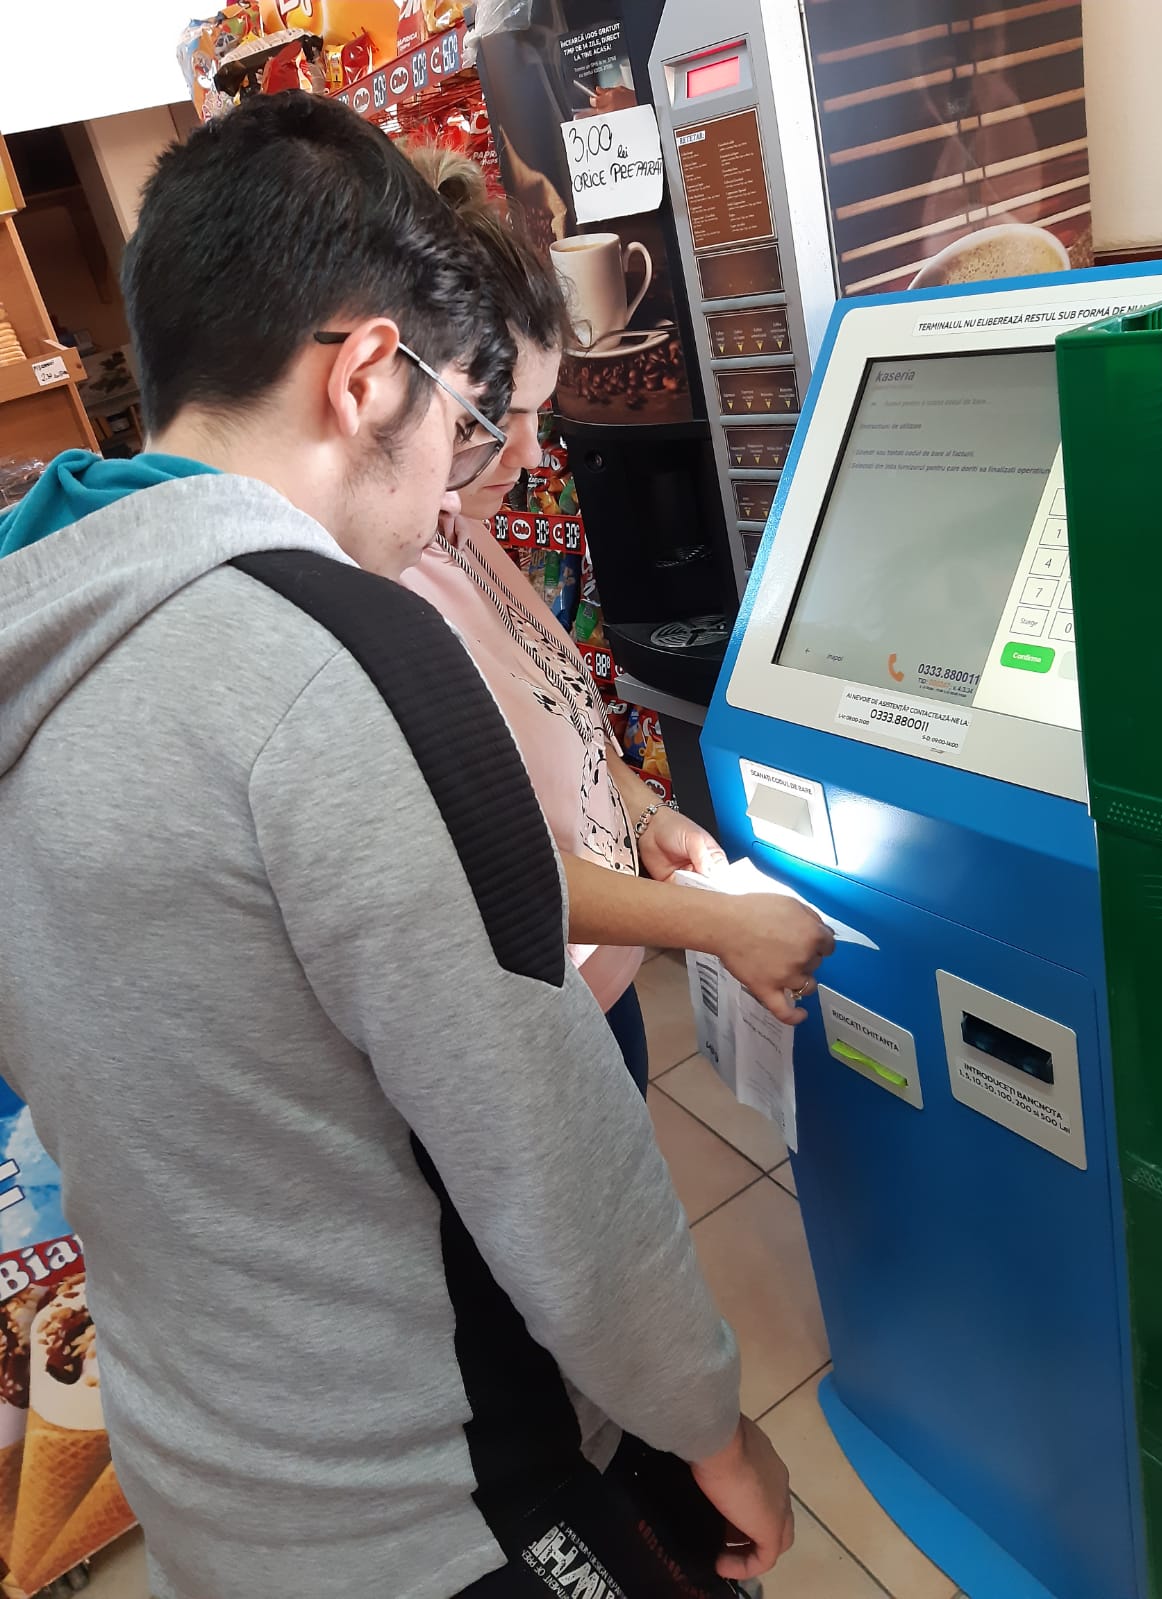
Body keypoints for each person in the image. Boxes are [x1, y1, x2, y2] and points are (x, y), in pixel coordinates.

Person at [0, 95, 816, 1598]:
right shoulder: (344, 657)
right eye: (460, 416)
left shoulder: (42, 618)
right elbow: (548, 1155)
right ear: (368, 373)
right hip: (429, 1497)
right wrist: (709, 1422)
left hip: (202, 1473)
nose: (458, 481)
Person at [401, 148, 834, 1097]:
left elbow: (554, 714)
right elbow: (485, 866)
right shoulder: (382, 577)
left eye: (540, 415)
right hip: (533, 1029)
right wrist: (720, 924)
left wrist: (641, 814)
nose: (528, 454)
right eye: (498, 416)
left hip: (600, 988)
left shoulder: (456, 524)